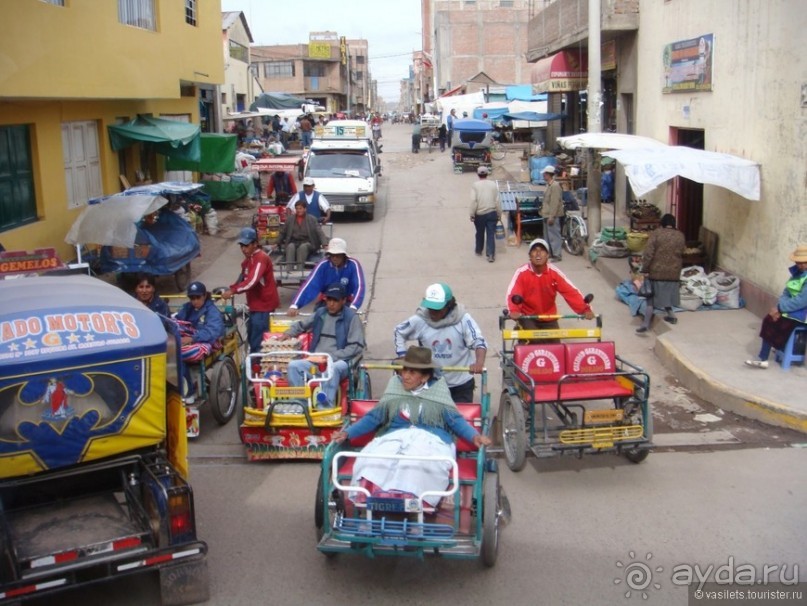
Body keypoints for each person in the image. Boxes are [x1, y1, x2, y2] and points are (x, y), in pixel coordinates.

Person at [331, 346, 491, 506]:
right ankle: (377, 504)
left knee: (416, 466)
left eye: (412, 373)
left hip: (430, 440)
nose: (405, 376)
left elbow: (455, 420)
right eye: (404, 371)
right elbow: (374, 417)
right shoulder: (395, 386)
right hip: (394, 438)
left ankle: (412, 507)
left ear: (425, 377)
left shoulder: (438, 392)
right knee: (373, 460)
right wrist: (348, 433)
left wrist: (474, 436)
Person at [394, 283, 488, 403]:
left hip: (461, 383)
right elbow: (399, 332)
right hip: (432, 382)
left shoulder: (463, 319)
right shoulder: (420, 319)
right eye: (430, 308)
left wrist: (479, 363)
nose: (433, 312)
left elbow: (479, 341)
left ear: (449, 306)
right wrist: (402, 355)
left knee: (460, 418)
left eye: (437, 309)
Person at [280, 283, 365, 407]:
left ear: (343, 300)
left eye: (335, 300)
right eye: (329, 299)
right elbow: (302, 325)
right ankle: (299, 405)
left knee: (332, 368)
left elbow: (355, 348)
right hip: (316, 361)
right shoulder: (320, 313)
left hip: (341, 362)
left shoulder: (352, 318)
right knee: (294, 366)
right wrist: (288, 333)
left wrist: (329, 358)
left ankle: (324, 408)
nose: (331, 303)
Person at [506, 238, 595, 331]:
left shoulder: (554, 273)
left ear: (547, 255)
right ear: (530, 256)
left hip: (549, 317)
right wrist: (514, 310)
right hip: (528, 317)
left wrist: (585, 309)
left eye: (542, 250)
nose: (538, 253)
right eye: (534, 250)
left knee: (555, 345)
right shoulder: (522, 273)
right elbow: (513, 294)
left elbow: (571, 292)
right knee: (534, 341)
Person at [745, 244, 807, 368]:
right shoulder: (797, 274)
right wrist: (779, 307)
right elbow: (786, 293)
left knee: (772, 321)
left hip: (803, 314)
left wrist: (780, 309)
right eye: (798, 262)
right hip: (791, 309)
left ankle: (763, 357)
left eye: (803, 262)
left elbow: (802, 301)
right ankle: (768, 353)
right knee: (770, 318)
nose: (800, 265)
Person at [220, 227, 280, 354]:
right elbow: (242, 277)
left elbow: (251, 281)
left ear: (255, 244)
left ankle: (257, 369)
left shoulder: (260, 258)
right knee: (253, 337)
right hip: (255, 305)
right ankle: (253, 366)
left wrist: (233, 291)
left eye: (246, 245)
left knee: (259, 343)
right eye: (241, 245)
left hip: (264, 306)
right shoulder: (249, 259)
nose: (243, 249)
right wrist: (231, 288)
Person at [175, 281, 225, 403]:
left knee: (178, 355)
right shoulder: (187, 308)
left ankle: (189, 392)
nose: (195, 301)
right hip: (188, 340)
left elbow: (213, 331)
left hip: (206, 342)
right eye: (192, 298)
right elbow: (177, 321)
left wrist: (192, 338)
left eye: (198, 297)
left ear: (204, 296)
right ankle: (182, 389)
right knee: (169, 351)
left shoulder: (212, 311)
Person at [288, 237, 365, 316]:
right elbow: (310, 284)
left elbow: (359, 287)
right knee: (315, 322)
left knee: (350, 325)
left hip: (345, 302)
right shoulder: (323, 265)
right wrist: (295, 305)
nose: (335, 258)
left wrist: (354, 306)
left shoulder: (353, 265)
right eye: (332, 255)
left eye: (338, 255)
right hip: (326, 302)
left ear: (344, 255)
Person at [636, 214, 686, 334]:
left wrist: (645, 269)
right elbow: (682, 252)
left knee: (651, 299)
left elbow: (648, 253)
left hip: (657, 271)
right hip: (673, 272)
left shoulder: (656, 234)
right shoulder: (680, 236)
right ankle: (671, 315)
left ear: (662, 223)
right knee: (667, 296)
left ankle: (645, 324)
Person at [278, 198, 328, 270]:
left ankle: (299, 270)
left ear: (305, 209)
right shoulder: (290, 219)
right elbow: (283, 232)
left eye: (300, 208)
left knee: (303, 247)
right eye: (297, 208)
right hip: (294, 241)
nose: (298, 210)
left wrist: (324, 244)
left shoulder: (312, 219)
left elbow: (319, 232)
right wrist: (277, 242)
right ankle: (288, 270)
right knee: (290, 246)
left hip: (308, 242)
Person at [470, 165, 502, 263]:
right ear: (487, 174)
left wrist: (472, 214)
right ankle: (491, 254)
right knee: (490, 234)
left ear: (478, 174)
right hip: (492, 213)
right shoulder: (493, 185)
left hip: (479, 214)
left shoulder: (475, 185)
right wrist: (499, 214)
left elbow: (473, 201)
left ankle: (479, 250)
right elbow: (497, 201)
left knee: (479, 232)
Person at [541, 165, 564, 262]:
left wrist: (552, 216)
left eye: (544, 174)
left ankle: (557, 254)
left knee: (554, 235)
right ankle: (550, 252)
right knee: (548, 236)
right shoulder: (549, 185)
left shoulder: (555, 186)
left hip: (552, 215)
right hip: (546, 213)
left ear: (548, 175)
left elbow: (555, 202)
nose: (543, 176)